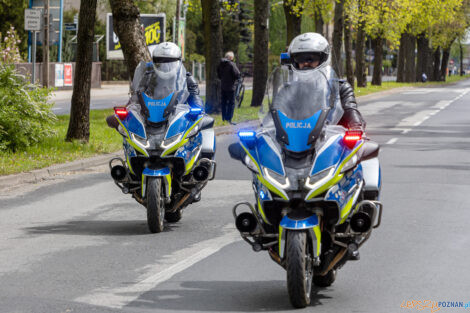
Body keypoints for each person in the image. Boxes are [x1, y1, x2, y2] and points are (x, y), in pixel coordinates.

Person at [107, 42, 203, 129]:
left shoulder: (186, 78)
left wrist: (197, 112)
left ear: (179, 61)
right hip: (149, 121)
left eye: (170, 62)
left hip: (177, 122)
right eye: (160, 61)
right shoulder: (148, 77)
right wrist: (124, 114)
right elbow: (135, 98)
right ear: (153, 61)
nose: (165, 66)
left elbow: (196, 101)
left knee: (197, 133)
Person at [287, 32, 365, 130]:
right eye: (300, 59)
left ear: (323, 58)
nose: (306, 63)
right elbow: (273, 115)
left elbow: (351, 110)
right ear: (294, 61)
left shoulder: (340, 88)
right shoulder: (288, 90)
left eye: (311, 58)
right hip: (293, 141)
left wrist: (356, 126)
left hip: (329, 141)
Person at [217, 51, 240, 124]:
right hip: (231, 87)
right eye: (232, 57)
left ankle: (223, 118)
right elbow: (237, 74)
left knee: (223, 103)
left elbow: (218, 74)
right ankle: (229, 119)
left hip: (223, 86)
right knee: (231, 103)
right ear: (230, 57)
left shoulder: (220, 64)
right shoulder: (231, 64)